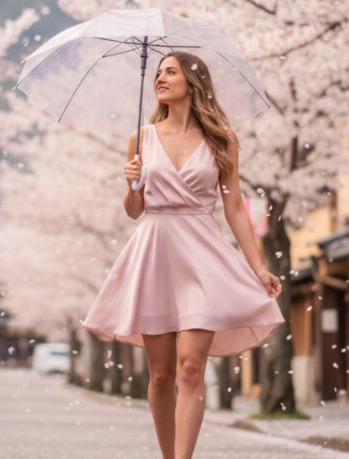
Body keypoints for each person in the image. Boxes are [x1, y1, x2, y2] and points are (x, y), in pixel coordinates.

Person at [80, 51, 285, 459]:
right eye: (157, 73)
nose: (160, 78)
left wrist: (257, 266)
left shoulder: (221, 139)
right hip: (155, 252)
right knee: (161, 375)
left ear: (193, 82)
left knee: (191, 368)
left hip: (203, 254)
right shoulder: (141, 138)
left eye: (170, 72)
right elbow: (135, 212)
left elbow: (235, 209)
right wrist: (132, 185)